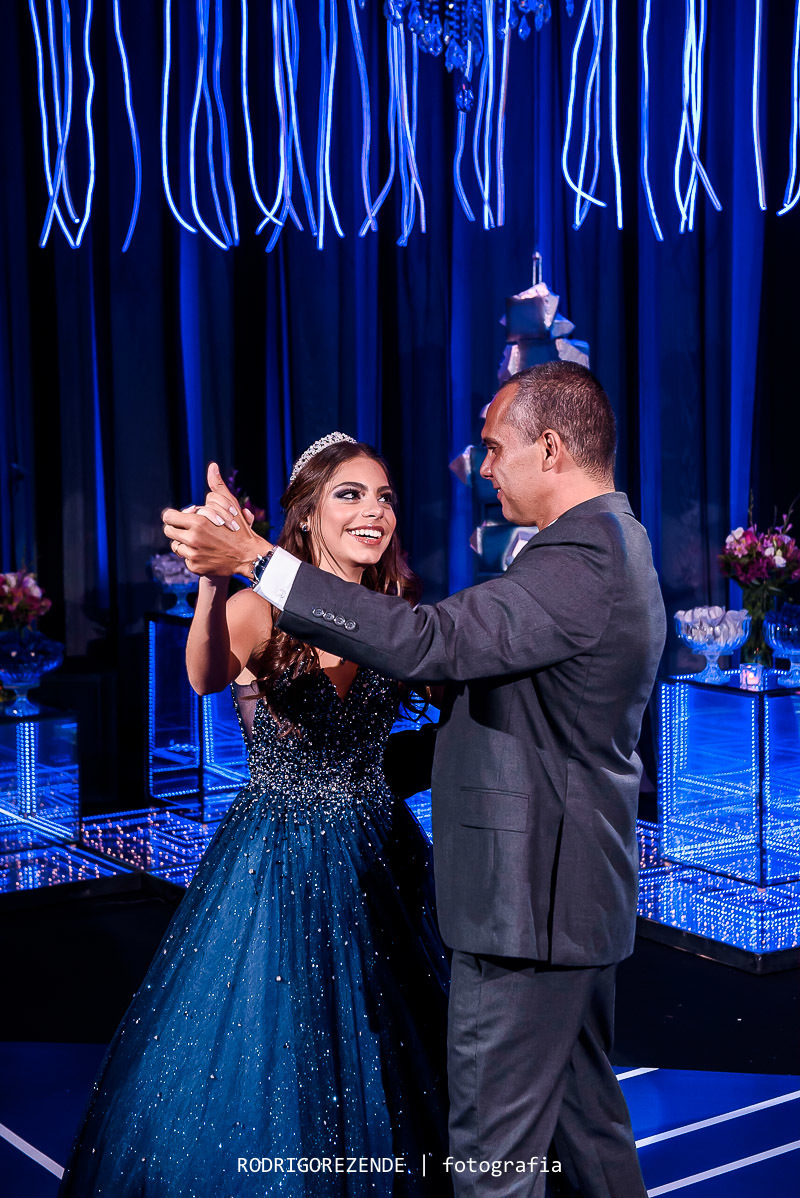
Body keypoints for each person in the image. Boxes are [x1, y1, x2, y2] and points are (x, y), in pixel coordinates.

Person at [165, 361, 667, 1197]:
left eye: (493, 448)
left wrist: (255, 555)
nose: (483, 467)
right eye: (350, 495)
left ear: (549, 448)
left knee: (493, 1162)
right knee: (586, 1134)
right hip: (550, 898)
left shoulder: (581, 558)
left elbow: (430, 644)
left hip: (530, 908)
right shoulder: (607, 544)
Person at [59, 436, 450, 1198]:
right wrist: (213, 582)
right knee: (278, 1039)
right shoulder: (258, 609)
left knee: (391, 1040)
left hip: (381, 853)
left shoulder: (395, 612)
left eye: (385, 498)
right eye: (350, 494)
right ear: (306, 516)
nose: (374, 511)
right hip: (277, 856)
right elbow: (204, 676)